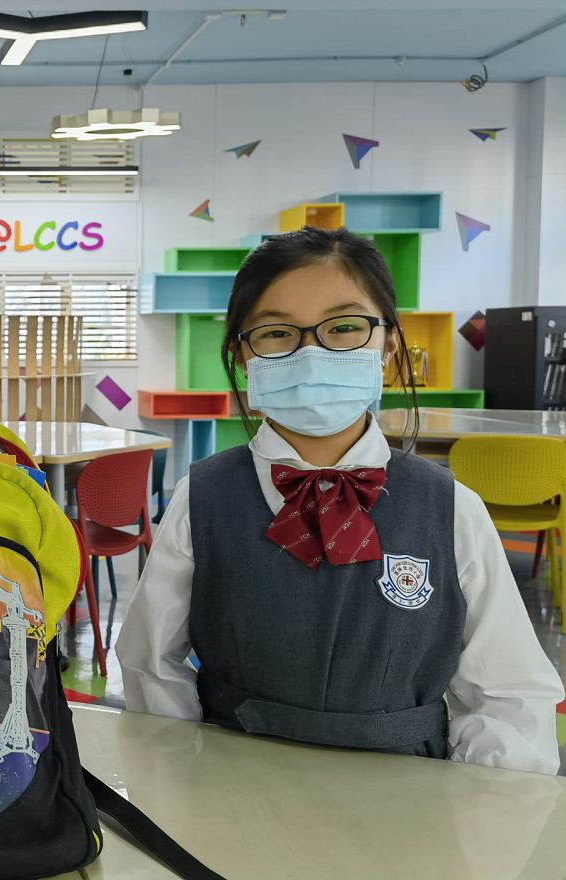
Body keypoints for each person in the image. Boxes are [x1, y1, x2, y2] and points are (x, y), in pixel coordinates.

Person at [117, 226, 563, 774]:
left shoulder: (451, 509)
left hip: (407, 792)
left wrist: (478, 808)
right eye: (276, 332)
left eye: (345, 327)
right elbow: (151, 667)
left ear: (389, 344)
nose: (311, 354)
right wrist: (179, 783)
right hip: (234, 785)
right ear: (242, 356)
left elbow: (509, 696)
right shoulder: (201, 498)